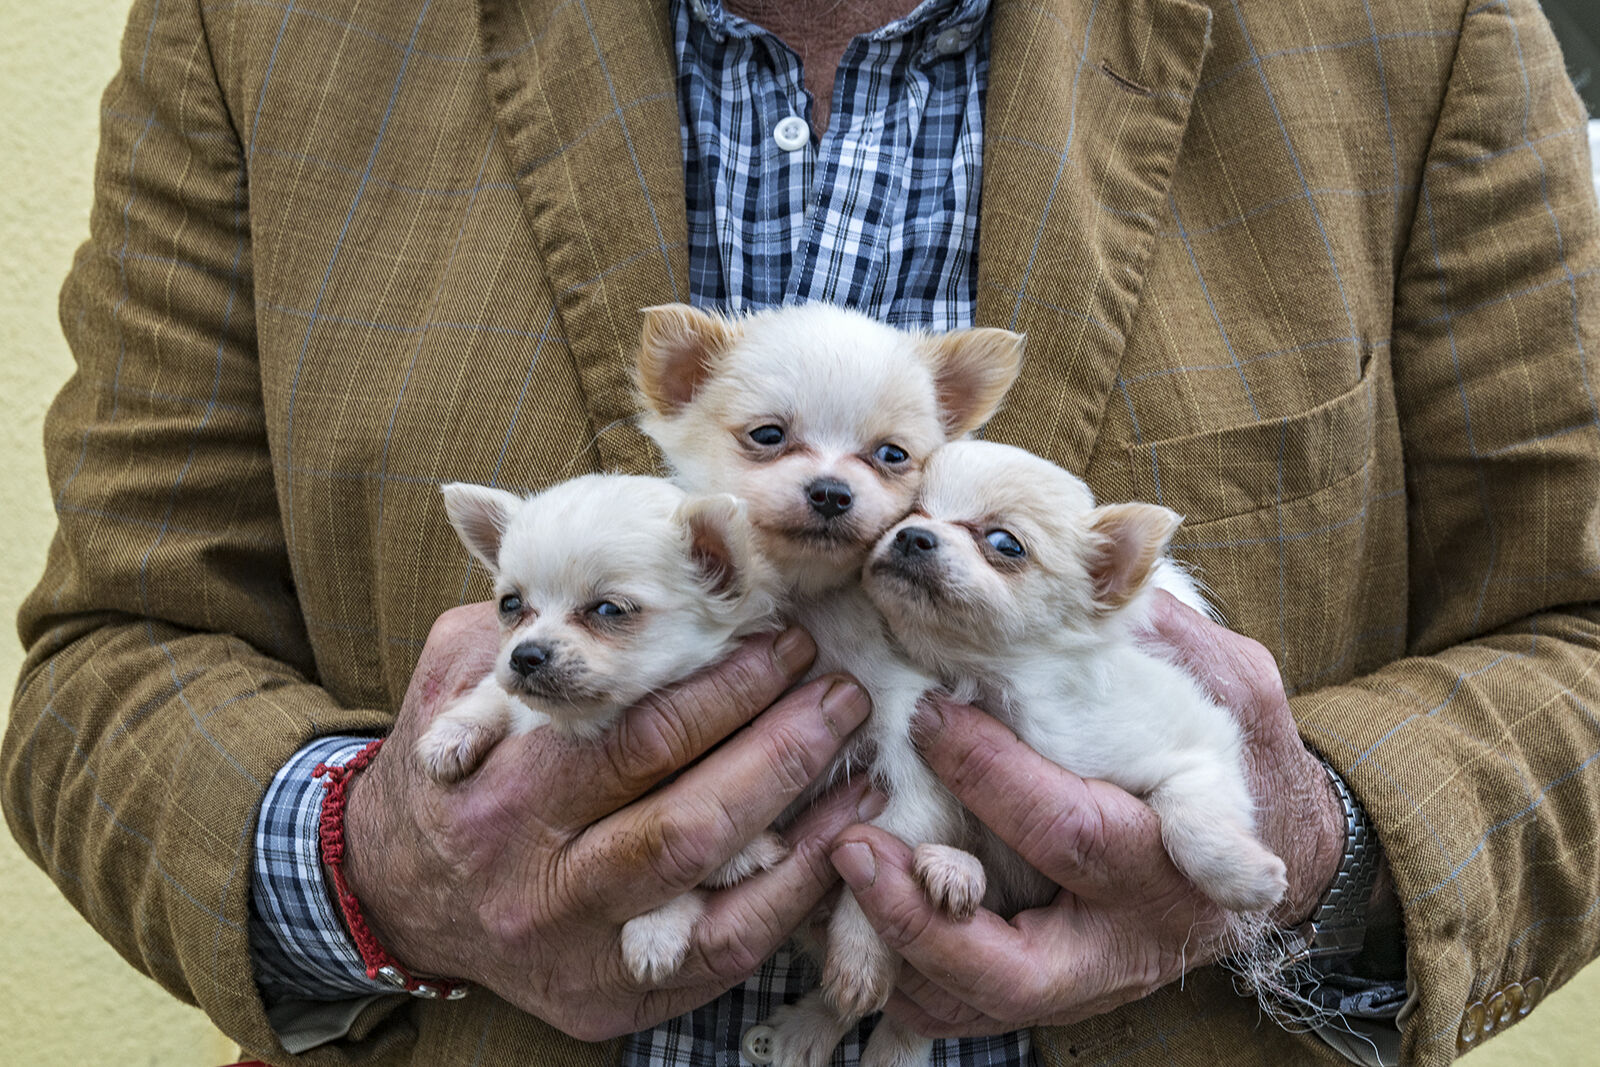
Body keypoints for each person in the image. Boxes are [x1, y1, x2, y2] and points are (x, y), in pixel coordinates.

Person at [4, 0, 1597, 1064]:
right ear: (684, 399)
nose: (839, 490)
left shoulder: (1417, 28)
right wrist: (364, 866)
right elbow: (107, 662)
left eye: (886, 458)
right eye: (771, 441)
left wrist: (1319, 848)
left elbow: (1578, 638)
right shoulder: (257, 26)